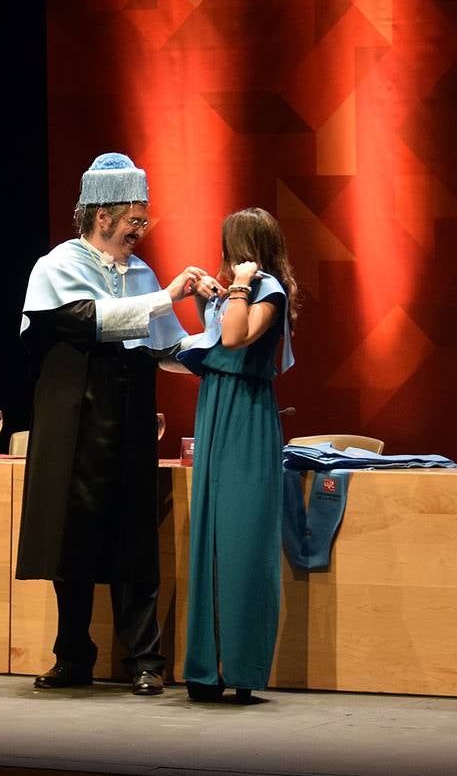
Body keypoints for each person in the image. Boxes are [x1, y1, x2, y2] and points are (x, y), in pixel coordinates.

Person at [15, 152, 207, 697]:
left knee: (134, 539)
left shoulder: (141, 274)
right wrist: (165, 297)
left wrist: (219, 345)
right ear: (103, 216)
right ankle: (73, 655)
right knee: (70, 538)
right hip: (75, 418)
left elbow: (165, 344)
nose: (140, 231)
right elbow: (83, 321)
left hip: (127, 420)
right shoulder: (56, 266)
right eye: (134, 220)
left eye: (143, 221)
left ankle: (145, 659)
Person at [177, 208, 296, 703]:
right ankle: (206, 669)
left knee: (243, 540)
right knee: (209, 536)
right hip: (215, 409)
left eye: (231, 248)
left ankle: (241, 668)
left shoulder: (268, 291)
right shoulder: (233, 294)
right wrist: (213, 293)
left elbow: (233, 338)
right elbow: (213, 343)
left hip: (246, 416)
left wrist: (242, 285)